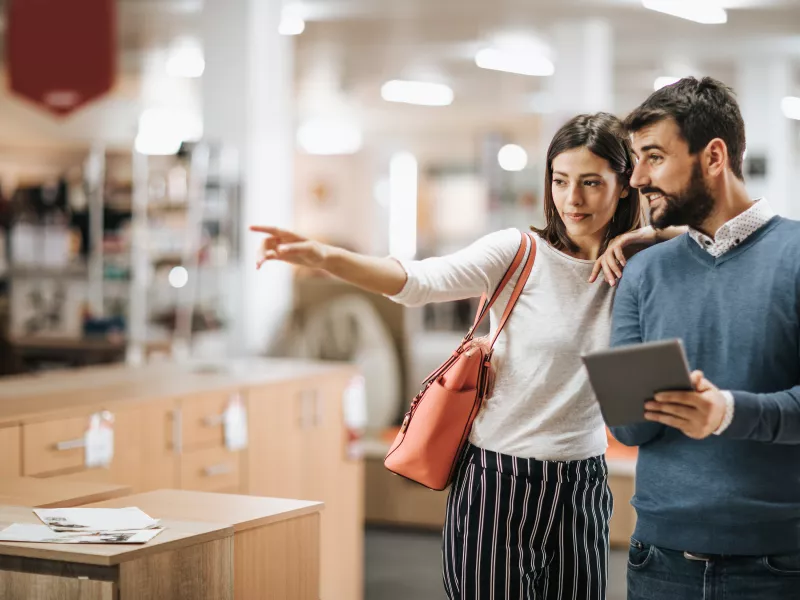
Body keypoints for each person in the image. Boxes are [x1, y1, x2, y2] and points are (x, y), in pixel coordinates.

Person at [252, 113, 657, 599]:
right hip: (500, 482)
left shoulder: (639, 270)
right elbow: (419, 281)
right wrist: (325, 257)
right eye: (560, 181)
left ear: (625, 187)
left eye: (591, 183)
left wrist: (650, 238)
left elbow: (712, 245)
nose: (572, 199)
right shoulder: (519, 252)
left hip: (583, 484)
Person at [609, 76, 800, 599]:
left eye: (654, 157)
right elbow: (628, 430)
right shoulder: (643, 273)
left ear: (713, 157)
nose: (638, 178)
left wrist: (727, 412)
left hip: (778, 566)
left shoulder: (795, 255)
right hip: (657, 562)